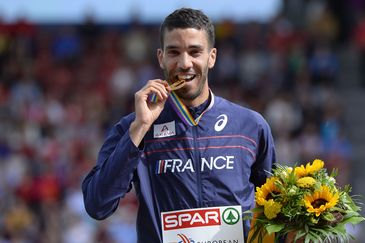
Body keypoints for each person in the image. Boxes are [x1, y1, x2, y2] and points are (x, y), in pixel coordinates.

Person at [82, 8, 276, 243]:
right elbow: (97, 205)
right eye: (174, 52)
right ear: (161, 57)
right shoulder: (133, 128)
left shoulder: (250, 126)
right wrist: (140, 128)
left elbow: (273, 209)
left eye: (195, 51)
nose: (185, 63)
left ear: (211, 57)